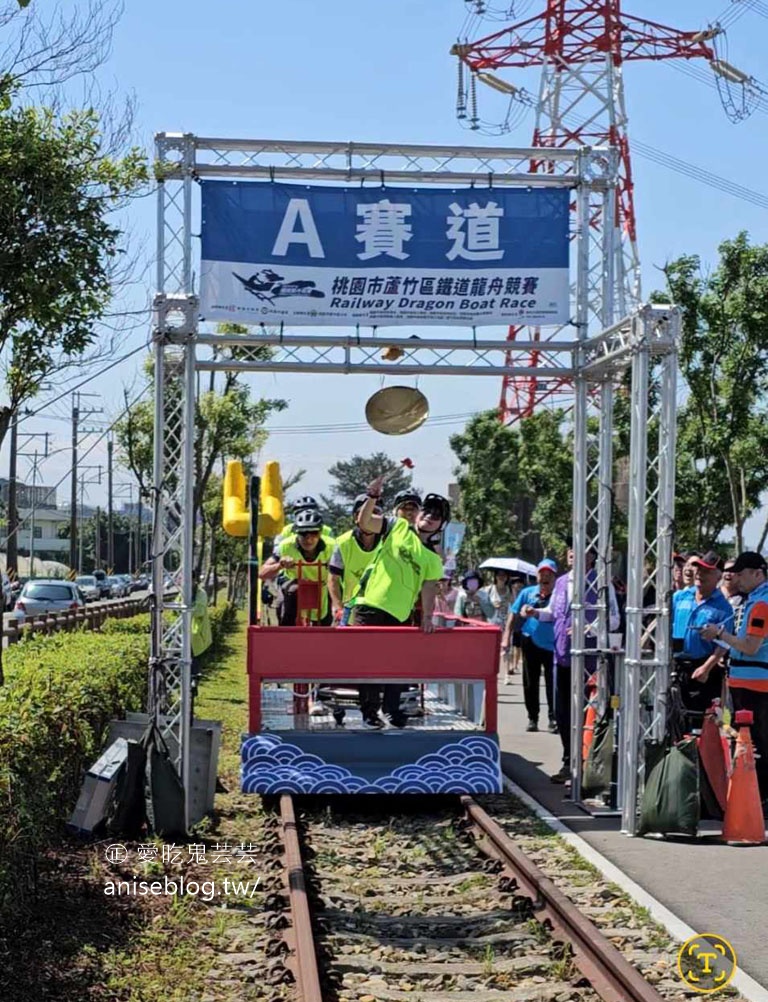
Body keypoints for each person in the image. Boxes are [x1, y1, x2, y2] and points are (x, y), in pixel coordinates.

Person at [352, 480, 447, 727]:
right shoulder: (398, 526)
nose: (430, 517)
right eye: (427, 511)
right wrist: (372, 496)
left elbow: (428, 588)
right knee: (369, 663)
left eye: (437, 516)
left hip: (400, 614)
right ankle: (369, 713)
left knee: (397, 664)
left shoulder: (433, 558)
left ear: (441, 525)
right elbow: (365, 522)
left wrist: (427, 618)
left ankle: (392, 710)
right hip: (371, 605)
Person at [525, 546, 620, 784]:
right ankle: (569, 760)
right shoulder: (560, 582)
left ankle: (589, 764)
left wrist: (589, 628)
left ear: (591, 557)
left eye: (579, 549)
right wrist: (536, 613)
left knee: (588, 712)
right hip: (561, 655)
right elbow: (553, 612)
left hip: (589, 659)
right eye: (570, 550)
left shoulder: (601, 583)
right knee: (562, 711)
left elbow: (614, 619)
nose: (572, 554)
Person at [701, 552, 768, 808]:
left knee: (756, 745)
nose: (736, 579)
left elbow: (751, 646)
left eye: (741, 574)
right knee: (746, 741)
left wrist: (720, 634)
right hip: (745, 681)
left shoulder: (761, 605)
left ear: (758, 574)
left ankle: (758, 798)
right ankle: (752, 796)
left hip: (755, 684)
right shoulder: (753, 601)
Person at [670, 551, 733, 729]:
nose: (699, 574)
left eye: (706, 571)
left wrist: (706, 667)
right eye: (698, 569)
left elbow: (724, 644)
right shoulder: (680, 597)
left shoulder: (723, 607)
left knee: (699, 721)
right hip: (676, 665)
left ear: (718, 576)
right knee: (674, 720)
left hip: (703, 669)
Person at [503, 559, 557, 732]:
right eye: (542, 574)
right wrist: (506, 636)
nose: (545, 577)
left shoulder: (560, 594)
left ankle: (554, 718)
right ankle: (532, 718)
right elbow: (513, 614)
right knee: (530, 682)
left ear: (555, 577)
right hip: (530, 640)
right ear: (537, 576)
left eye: (549, 574)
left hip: (554, 644)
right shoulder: (527, 593)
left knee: (553, 682)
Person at [259, 509, 334, 625]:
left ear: (320, 533)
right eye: (303, 533)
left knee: (324, 623)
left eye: (314, 533)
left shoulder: (332, 547)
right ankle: (288, 628)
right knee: (293, 590)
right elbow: (262, 573)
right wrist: (280, 565)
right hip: (295, 586)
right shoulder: (285, 546)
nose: (308, 539)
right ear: (296, 533)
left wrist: (335, 566)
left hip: (323, 588)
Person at [327, 495, 383, 619]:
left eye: (375, 513)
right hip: (351, 611)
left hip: (383, 609)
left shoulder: (390, 541)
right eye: (364, 513)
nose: (369, 518)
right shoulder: (343, 543)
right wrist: (337, 607)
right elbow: (333, 579)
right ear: (355, 517)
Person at [190, 572, 212, 717]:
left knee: (195, 661)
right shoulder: (183, 593)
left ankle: (194, 684)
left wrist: (186, 608)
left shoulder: (201, 593)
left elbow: (199, 611)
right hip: (185, 636)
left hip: (197, 635)